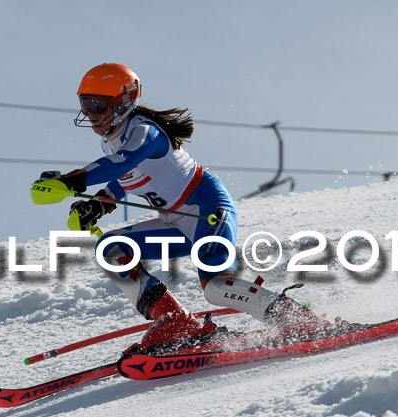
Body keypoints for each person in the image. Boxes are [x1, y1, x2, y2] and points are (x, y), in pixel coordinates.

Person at [34, 63, 337, 349]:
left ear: (125, 101)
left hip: (208, 208)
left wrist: (71, 181)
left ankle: (295, 319)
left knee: (216, 288)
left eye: (98, 105)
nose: (91, 114)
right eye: (85, 104)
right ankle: (175, 321)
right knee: (111, 250)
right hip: (174, 221)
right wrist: (98, 206)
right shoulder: (111, 140)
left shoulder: (144, 130)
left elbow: (123, 162)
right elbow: (125, 177)